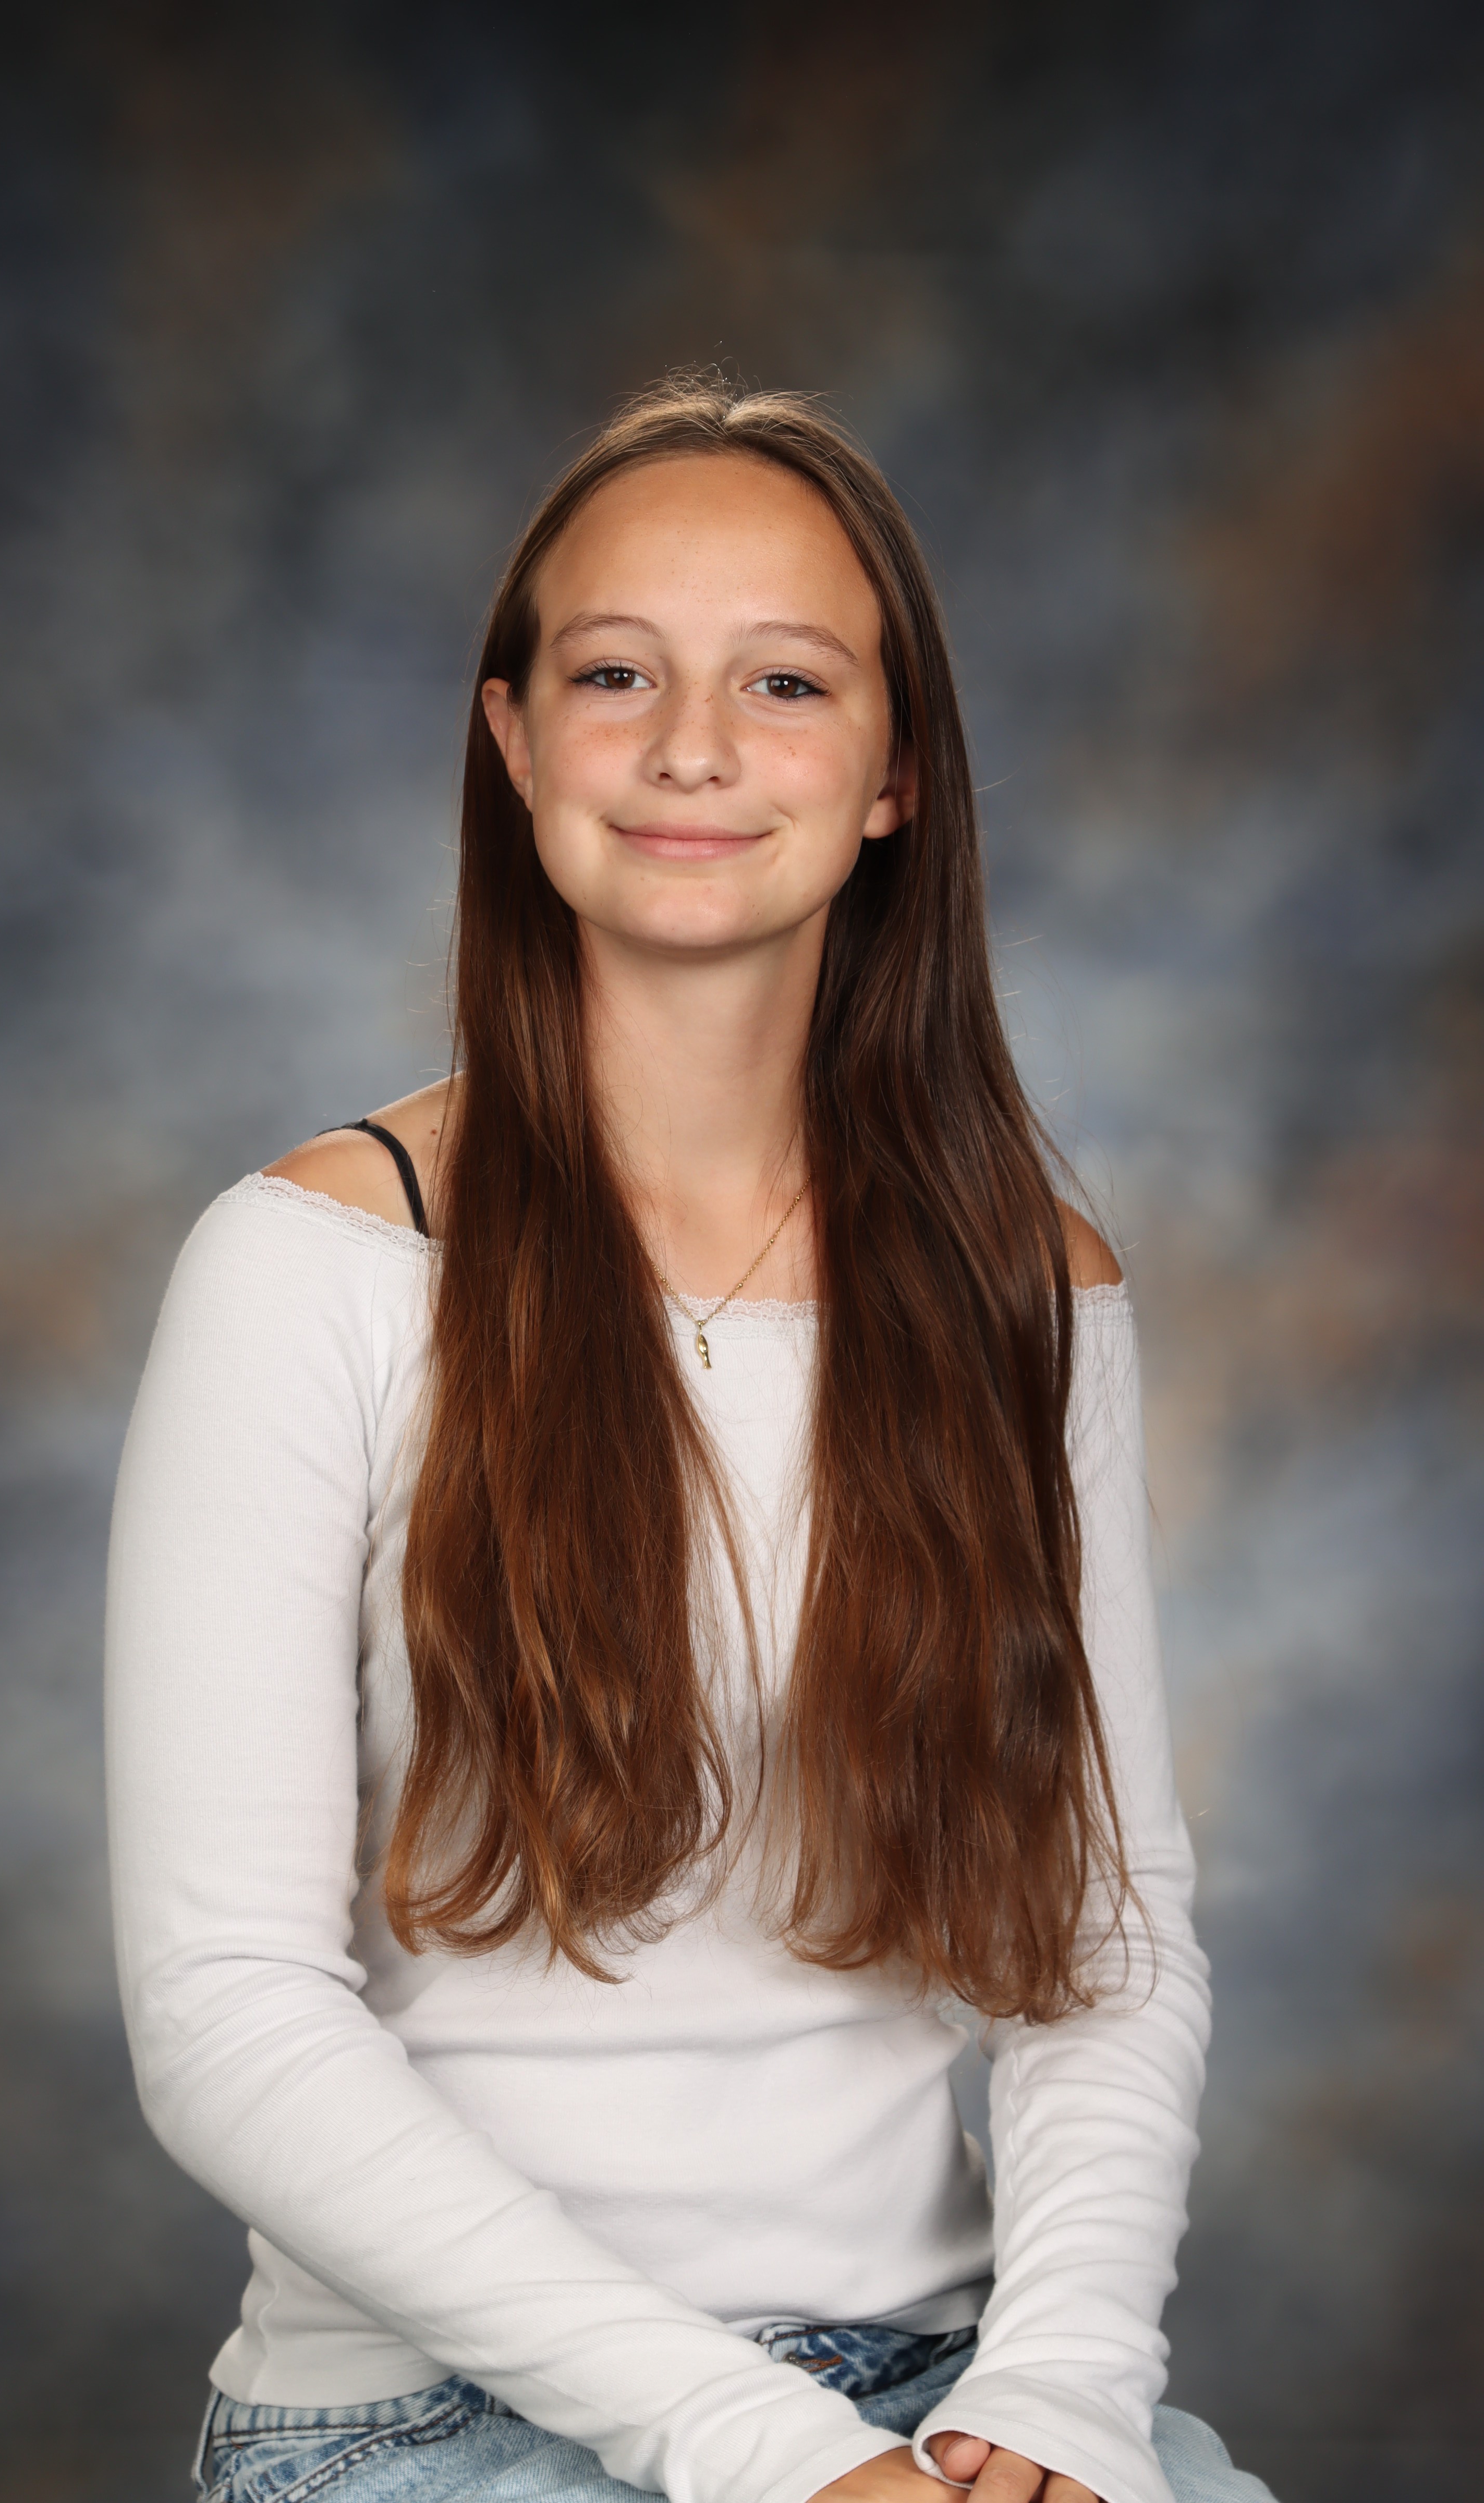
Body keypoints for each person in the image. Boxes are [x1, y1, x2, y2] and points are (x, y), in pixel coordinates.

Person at [105, 374, 1271, 2503]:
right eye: (616, 673)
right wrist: (761, 2450)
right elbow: (226, 2014)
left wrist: (1063, 2392)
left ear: (894, 774)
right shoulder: (311, 1266)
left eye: (786, 682)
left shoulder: (1028, 1287)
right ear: (513, 740)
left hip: (940, 2384)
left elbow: (1103, 1944)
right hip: (421, 2420)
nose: (694, 750)